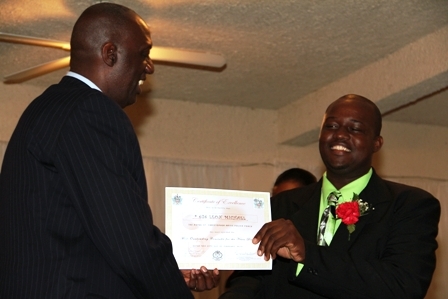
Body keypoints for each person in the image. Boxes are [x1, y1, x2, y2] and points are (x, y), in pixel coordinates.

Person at [0, 3, 219, 298]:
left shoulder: (44, 110)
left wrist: (171, 275)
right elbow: (129, 240)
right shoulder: (90, 111)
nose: (150, 67)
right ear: (110, 54)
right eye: (143, 54)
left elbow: (81, 237)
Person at [220, 94, 440, 298]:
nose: (341, 134)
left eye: (355, 128)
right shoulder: (280, 204)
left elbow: (403, 286)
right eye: (331, 126)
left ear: (377, 143)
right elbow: (250, 279)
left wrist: (307, 253)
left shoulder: (410, 205)